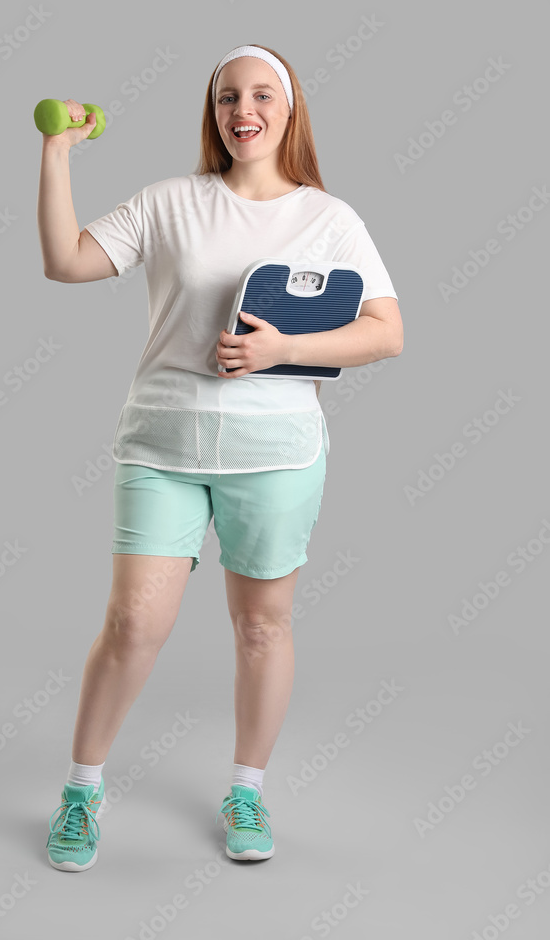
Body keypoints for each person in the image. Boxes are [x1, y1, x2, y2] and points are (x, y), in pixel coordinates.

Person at [36, 43, 403, 872]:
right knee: (134, 624)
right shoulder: (170, 202)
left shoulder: (330, 218)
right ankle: (81, 791)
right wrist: (56, 153)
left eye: (263, 94)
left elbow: (387, 332)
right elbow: (65, 263)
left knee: (261, 628)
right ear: (213, 113)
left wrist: (282, 350)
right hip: (162, 446)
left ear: (290, 108)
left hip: (275, 455)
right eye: (228, 96)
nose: (245, 108)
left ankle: (246, 789)